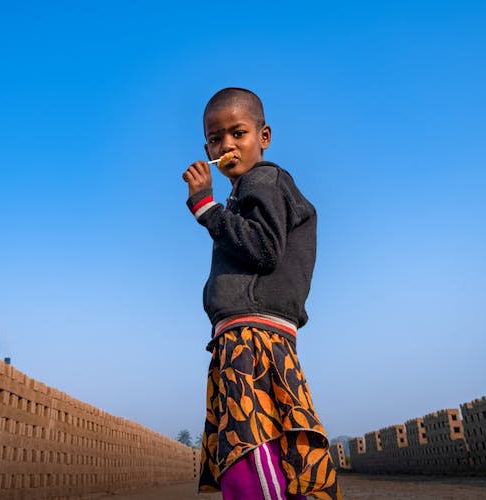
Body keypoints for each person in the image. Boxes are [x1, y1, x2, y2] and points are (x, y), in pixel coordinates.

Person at [182, 88, 342, 500]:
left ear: (264, 136)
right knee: (256, 455)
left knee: (253, 456)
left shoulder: (265, 179)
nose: (227, 145)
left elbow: (265, 249)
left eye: (238, 133)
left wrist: (207, 209)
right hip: (242, 338)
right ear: (207, 147)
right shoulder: (244, 195)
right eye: (216, 139)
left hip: (253, 342)